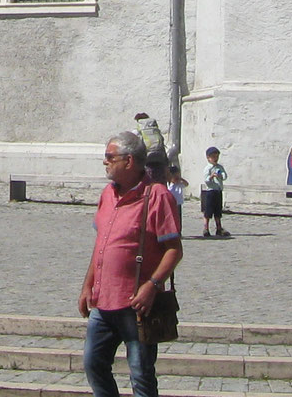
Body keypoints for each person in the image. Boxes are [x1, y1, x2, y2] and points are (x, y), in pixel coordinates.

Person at [79, 130, 182, 397]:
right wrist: (87, 285)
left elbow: (174, 250)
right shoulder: (107, 195)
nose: (105, 162)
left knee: (141, 374)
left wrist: (152, 286)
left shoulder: (157, 196)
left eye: (109, 157)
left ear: (129, 161)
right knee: (93, 363)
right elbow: (101, 246)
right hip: (103, 302)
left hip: (137, 305)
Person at [199, 147, 229, 239]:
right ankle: (206, 228)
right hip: (210, 192)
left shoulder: (220, 167)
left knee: (218, 211)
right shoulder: (208, 168)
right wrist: (211, 177)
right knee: (208, 211)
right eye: (213, 157)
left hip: (218, 191)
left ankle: (219, 228)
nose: (215, 159)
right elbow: (206, 180)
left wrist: (220, 175)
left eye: (217, 157)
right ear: (208, 158)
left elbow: (224, 176)